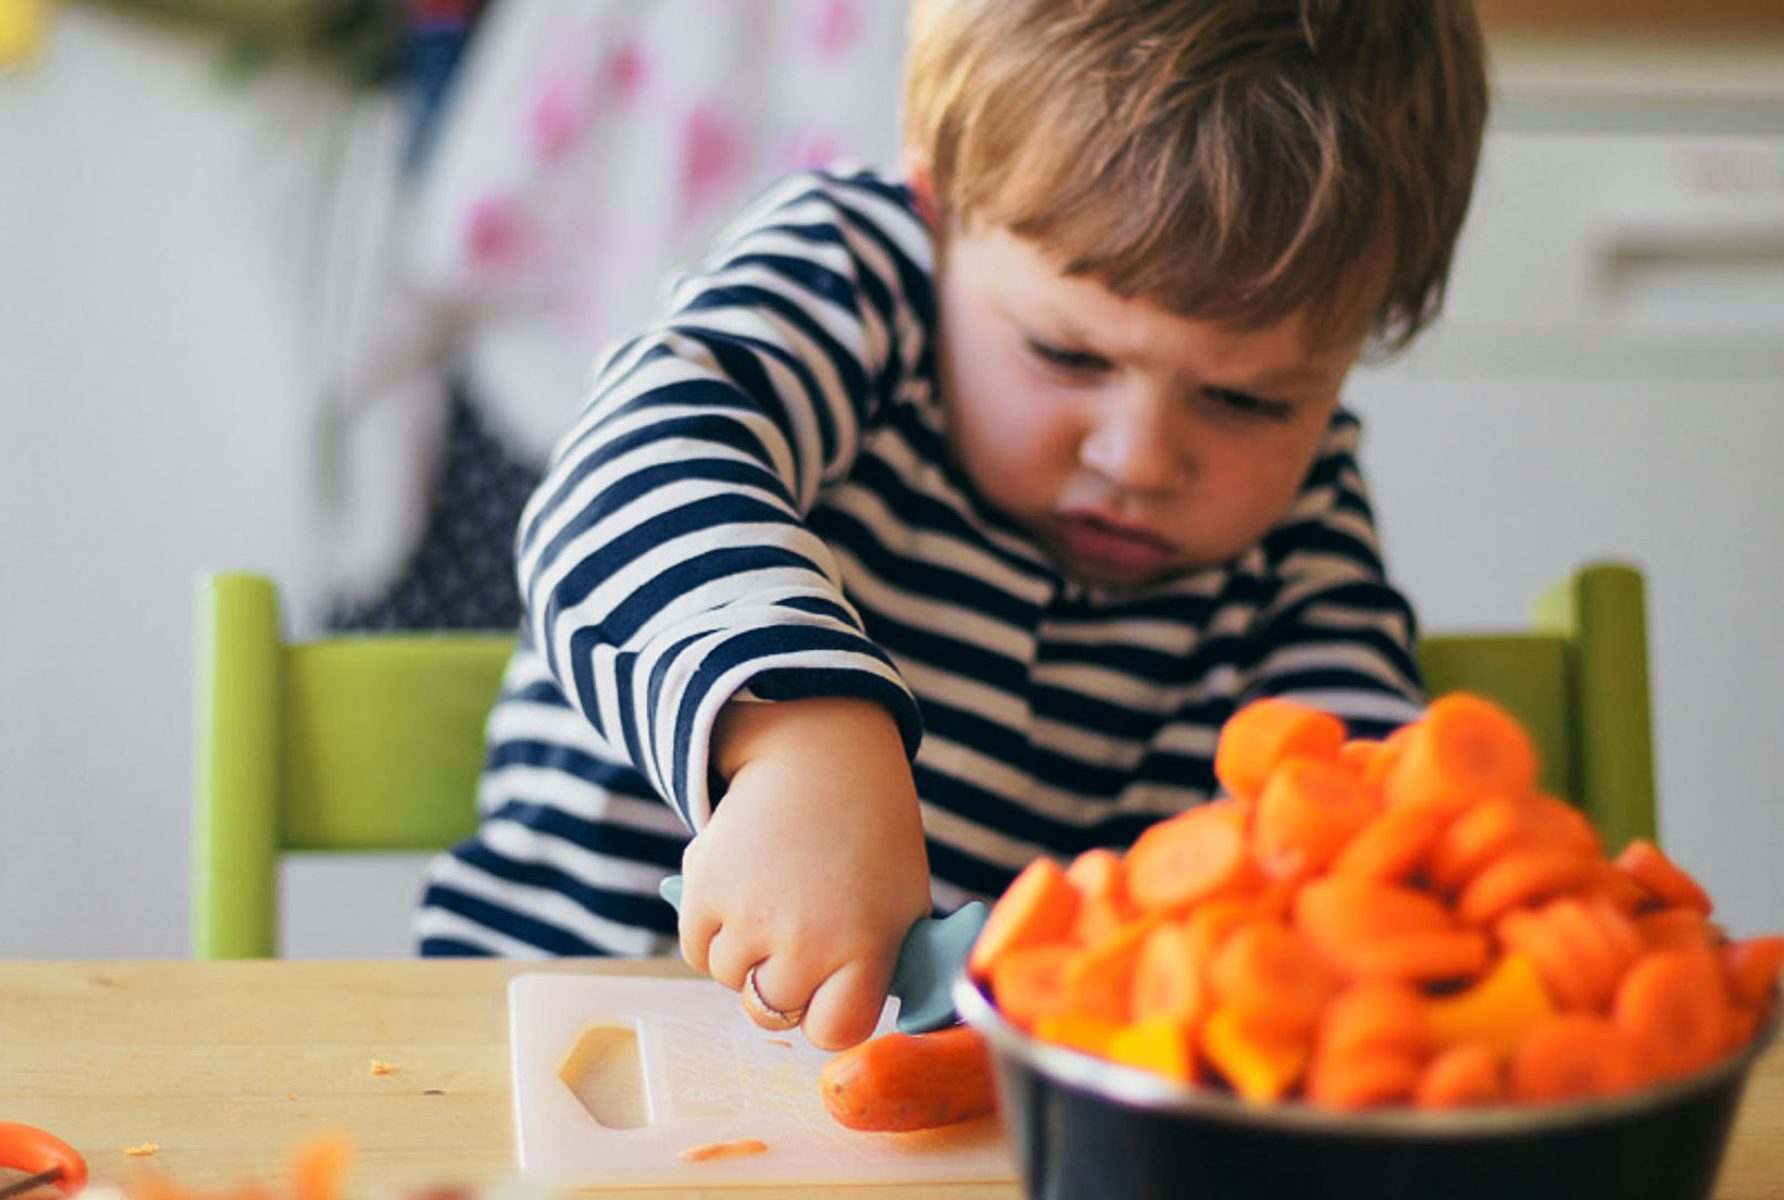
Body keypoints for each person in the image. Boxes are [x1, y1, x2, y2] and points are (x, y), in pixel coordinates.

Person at [416, 0, 1491, 1052]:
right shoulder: (852, 277)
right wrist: (794, 728)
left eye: (1249, 401)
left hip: (961, 1135)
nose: (1138, 458)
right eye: (1070, 355)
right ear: (941, 204)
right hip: (554, 1034)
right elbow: (631, 467)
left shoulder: (1302, 515)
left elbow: (1349, 801)